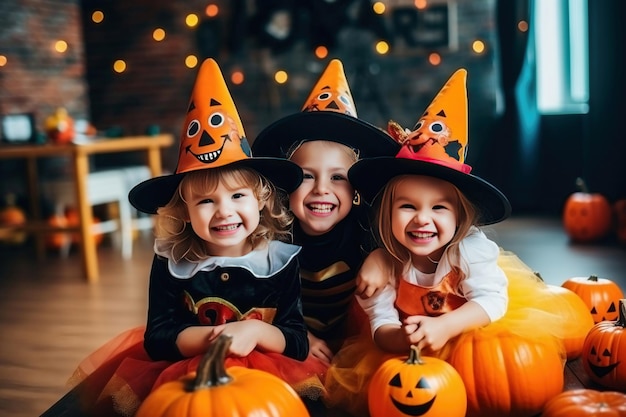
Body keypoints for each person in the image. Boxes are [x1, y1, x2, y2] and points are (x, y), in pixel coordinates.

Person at [66, 58, 327, 416]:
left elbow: (295, 340)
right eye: (206, 201)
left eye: (238, 196)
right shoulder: (172, 262)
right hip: (186, 374)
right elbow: (158, 338)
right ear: (184, 210)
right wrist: (214, 339)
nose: (224, 211)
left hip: (268, 377)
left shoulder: (278, 260)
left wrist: (254, 334)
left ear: (261, 200)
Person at [324, 69, 572, 416]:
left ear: (459, 216)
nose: (422, 219)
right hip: (419, 352)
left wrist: (445, 326)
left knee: (493, 372)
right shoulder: (386, 267)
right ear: (386, 213)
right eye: (407, 206)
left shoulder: (468, 250)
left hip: (472, 329)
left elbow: (491, 300)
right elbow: (380, 322)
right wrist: (402, 337)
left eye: (438, 208)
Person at [251, 59, 400, 364]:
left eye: (337, 177)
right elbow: (257, 296)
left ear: (355, 189)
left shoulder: (368, 227)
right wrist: (298, 335)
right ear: (287, 184)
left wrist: (382, 255)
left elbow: (409, 251)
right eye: (307, 175)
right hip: (292, 336)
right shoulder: (272, 233)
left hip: (361, 336)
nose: (321, 189)